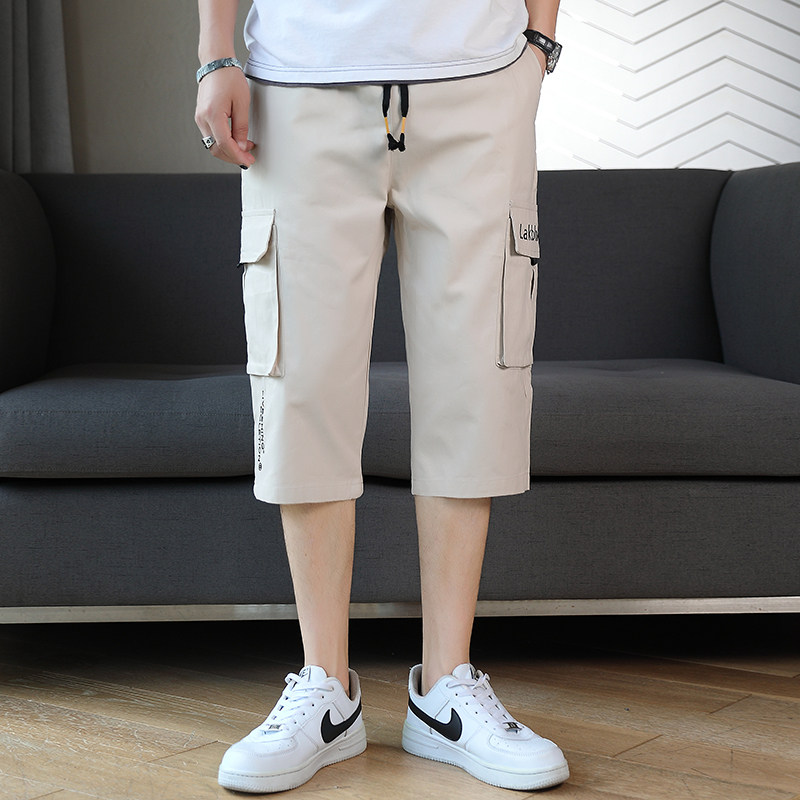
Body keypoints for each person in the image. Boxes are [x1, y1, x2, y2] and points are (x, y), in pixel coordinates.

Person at [195, 0, 568, 793]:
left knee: (476, 379)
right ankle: (325, 690)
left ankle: (447, 688)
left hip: (479, 79)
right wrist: (215, 53)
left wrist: (539, 44)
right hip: (297, 86)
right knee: (303, 382)